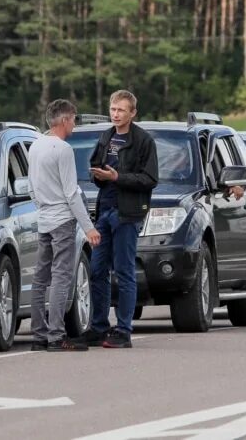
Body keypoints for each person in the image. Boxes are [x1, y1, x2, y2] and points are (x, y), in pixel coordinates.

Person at [82, 90, 158, 349]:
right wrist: (98, 174)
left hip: (127, 213)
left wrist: (117, 177)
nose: (116, 114)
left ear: (133, 113)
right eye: (113, 109)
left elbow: (150, 179)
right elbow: (95, 165)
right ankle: (98, 327)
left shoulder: (143, 141)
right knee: (97, 270)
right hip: (104, 210)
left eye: (121, 110)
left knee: (124, 271)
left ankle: (123, 330)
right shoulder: (107, 136)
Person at [28, 99, 102, 352]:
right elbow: (71, 193)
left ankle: (38, 335)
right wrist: (89, 227)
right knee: (61, 276)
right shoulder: (63, 149)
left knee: (40, 277)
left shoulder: (35, 146)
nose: (74, 124)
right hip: (62, 220)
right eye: (73, 118)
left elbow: (31, 189)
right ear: (63, 120)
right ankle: (57, 335)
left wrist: (44, 208)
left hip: (44, 219)